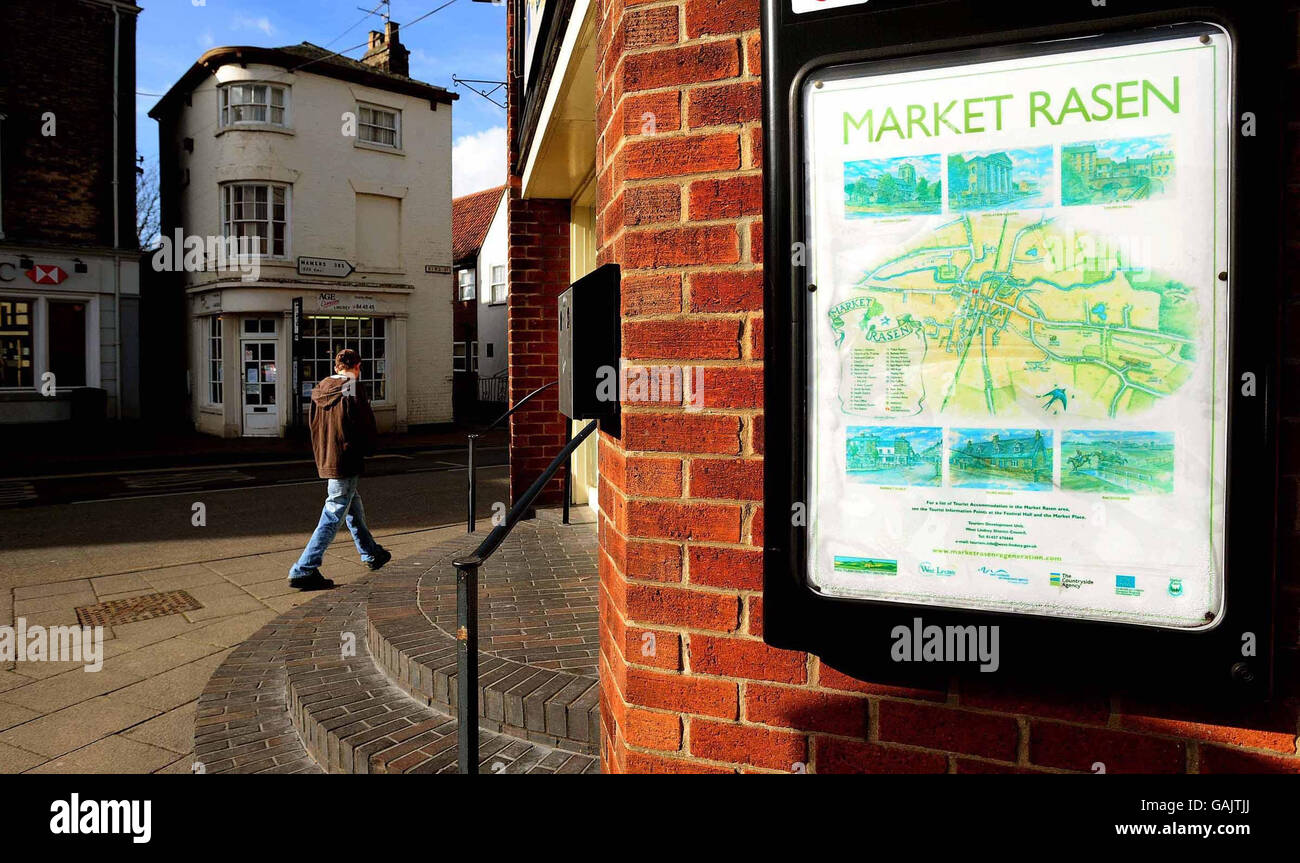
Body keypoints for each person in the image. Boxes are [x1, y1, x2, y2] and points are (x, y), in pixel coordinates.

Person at [288, 348, 391, 590]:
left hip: (327, 456)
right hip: (346, 458)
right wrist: (369, 448)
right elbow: (364, 424)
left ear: (336, 368)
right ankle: (304, 568)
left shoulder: (320, 388)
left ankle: (371, 553)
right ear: (358, 366)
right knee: (334, 512)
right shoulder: (354, 387)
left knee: (352, 506)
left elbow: (313, 425)